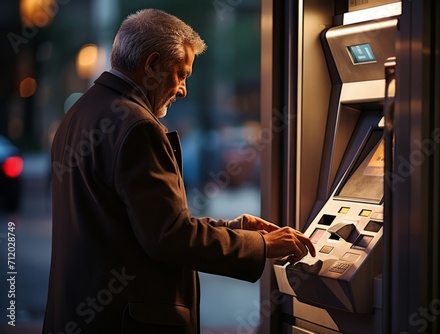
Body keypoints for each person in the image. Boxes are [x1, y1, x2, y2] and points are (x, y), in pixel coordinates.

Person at [43, 8, 315, 334]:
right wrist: (261, 245)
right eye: (181, 74)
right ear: (153, 65)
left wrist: (236, 227)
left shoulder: (80, 112)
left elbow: (142, 222)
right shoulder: (137, 127)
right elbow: (169, 237)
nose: (183, 89)